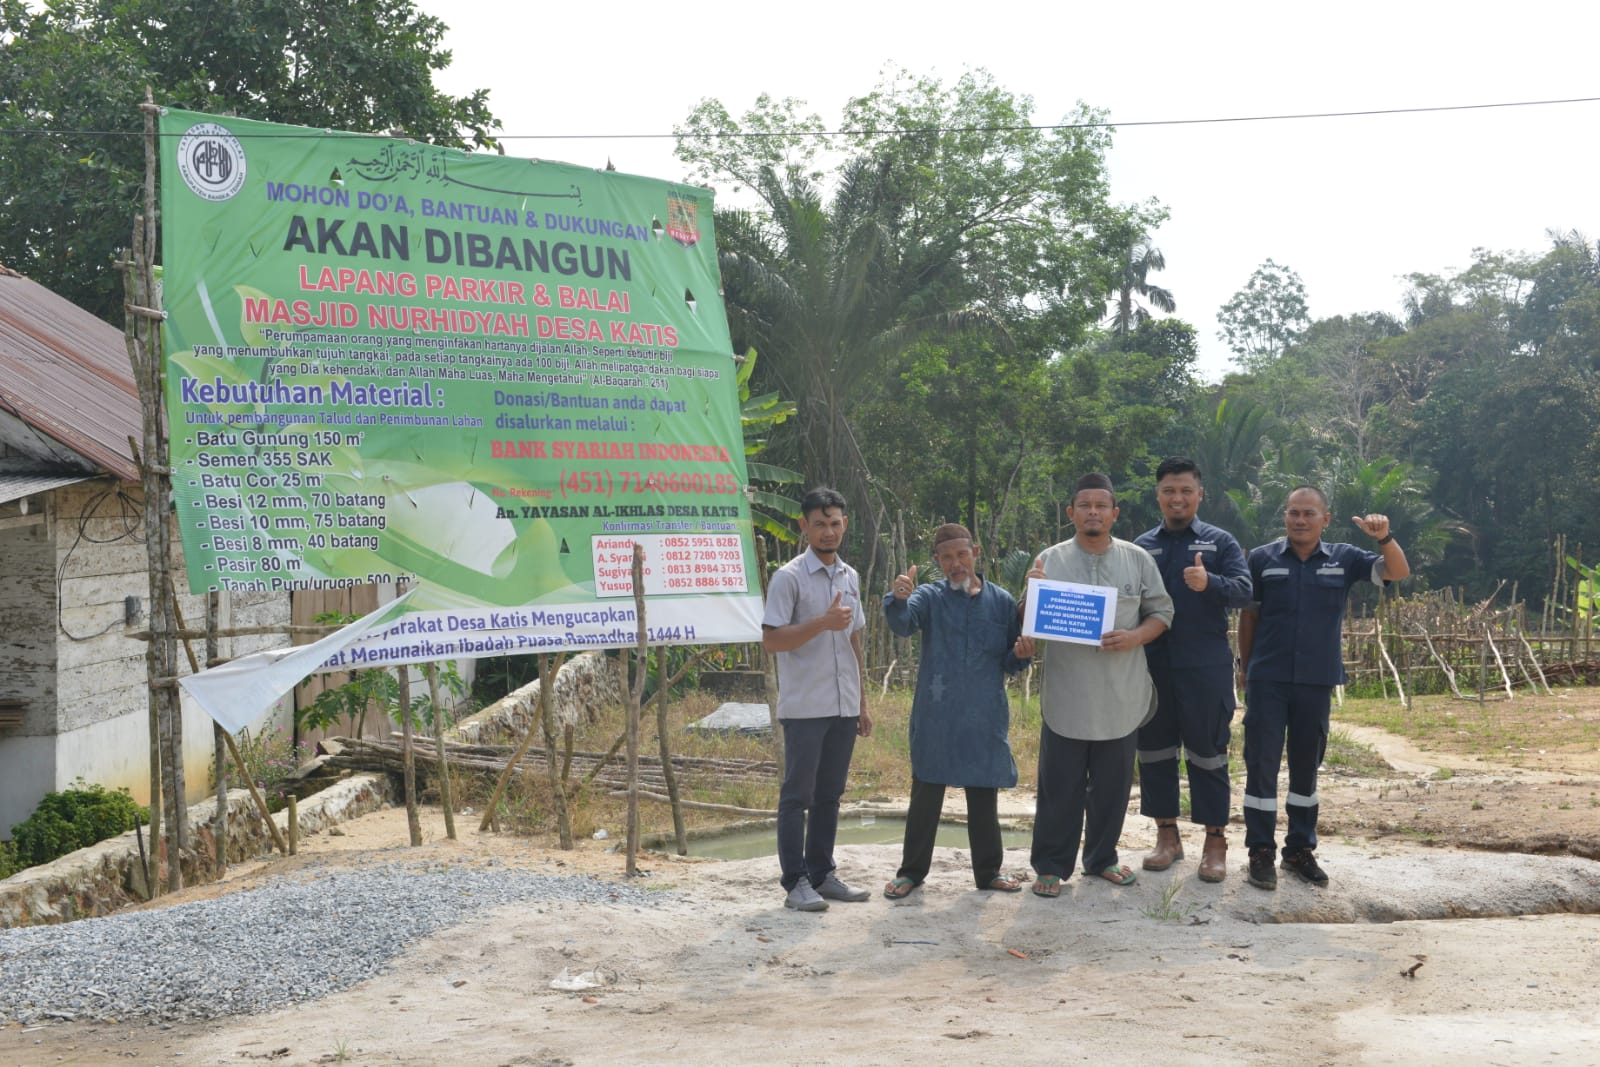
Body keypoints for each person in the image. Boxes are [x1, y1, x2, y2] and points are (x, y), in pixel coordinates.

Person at [1236, 486, 1410, 890]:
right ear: (1285, 517)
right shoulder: (1261, 559)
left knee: (1305, 767)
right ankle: (1260, 850)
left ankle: (1298, 850)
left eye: (1309, 513)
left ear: (1325, 520)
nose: (1300, 520)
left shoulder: (1345, 559)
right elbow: (1249, 617)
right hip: (1268, 679)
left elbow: (1397, 572)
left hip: (1315, 680)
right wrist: (1245, 668)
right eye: (1293, 512)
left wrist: (1383, 538)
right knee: (1261, 765)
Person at [1026, 474, 1174, 897]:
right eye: (1084, 505)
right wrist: (1031, 594)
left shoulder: (1137, 559)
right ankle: (1051, 866)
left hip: (1121, 693)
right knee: (1060, 787)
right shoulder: (1048, 560)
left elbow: (1162, 612)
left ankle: (1103, 858)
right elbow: (1028, 621)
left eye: (1101, 506)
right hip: (1068, 693)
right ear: (1071, 513)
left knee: (1112, 787)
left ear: (1114, 514)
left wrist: (1134, 637)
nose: (1093, 512)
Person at [881, 523, 1036, 899]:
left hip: (984, 714)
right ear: (937, 560)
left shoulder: (1001, 602)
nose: (955, 564)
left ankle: (989, 872)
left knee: (984, 795)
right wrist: (899, 598)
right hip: (937, 715)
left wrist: (1019, 656)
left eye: (961, 555)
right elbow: (903, 624)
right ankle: (911, 873)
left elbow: (1009, 660)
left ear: (976, 553)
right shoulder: (929, 598)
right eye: (947, 557)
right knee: (926, 793)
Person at [1132, 457, 1253, 882]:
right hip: (1152, 665)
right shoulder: (1140, 546)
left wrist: (1211, 583)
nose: (1177, 498)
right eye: (1169, 491)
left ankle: (1215, 843)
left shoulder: (1221, 543)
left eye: (1185, 490)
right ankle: (1167, 836)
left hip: (1205, 665)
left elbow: (1245, 591)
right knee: (1155, 750)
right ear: (1158, 496)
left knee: (1208, 752)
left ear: (1200, 494)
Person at [762, 487, 874, 912]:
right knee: (797, 795)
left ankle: (823, 874)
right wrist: (821, 623)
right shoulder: (788, 577)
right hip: (806, 706)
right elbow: (772, 640)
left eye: (835, 523)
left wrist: (862, 702)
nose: (828, 532)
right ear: (803, 526)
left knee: (830, 794)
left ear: (845, 524)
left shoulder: (850, 576)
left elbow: (855, 641)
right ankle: (795, 882)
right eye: (820, 523)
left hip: (844, 705)